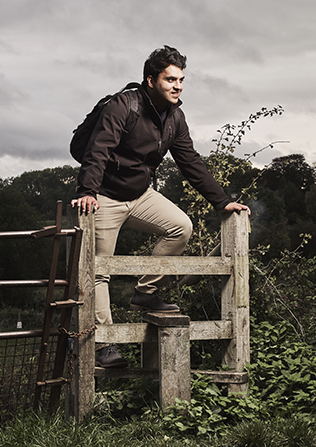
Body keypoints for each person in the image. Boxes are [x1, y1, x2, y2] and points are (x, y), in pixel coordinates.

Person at [71, 45, 249, 368]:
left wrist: (223, 202)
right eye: (170, 79)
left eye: (181, 80)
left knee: (181, 227)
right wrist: (88, 191)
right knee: (99, 271)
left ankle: (145, 292)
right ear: (151, 80)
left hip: (140, 195)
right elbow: (98, 150)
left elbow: (191, 162)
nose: (178, 86)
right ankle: (104, 345)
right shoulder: (123, 106)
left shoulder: (175, 118)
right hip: (106, 196)